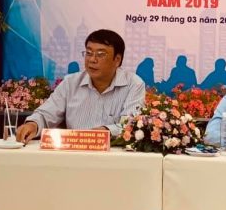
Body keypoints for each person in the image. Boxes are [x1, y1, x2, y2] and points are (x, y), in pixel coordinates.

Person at [16, 29, 145, 143]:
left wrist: (104, 132)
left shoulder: (133, 84)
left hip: (115, 155)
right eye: (88, 53)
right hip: (74, 153)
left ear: (117, 60)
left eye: (100, 54)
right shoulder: (70, 83)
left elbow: (131, 124)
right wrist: (33, 124)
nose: (92, 60)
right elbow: (46, 114)